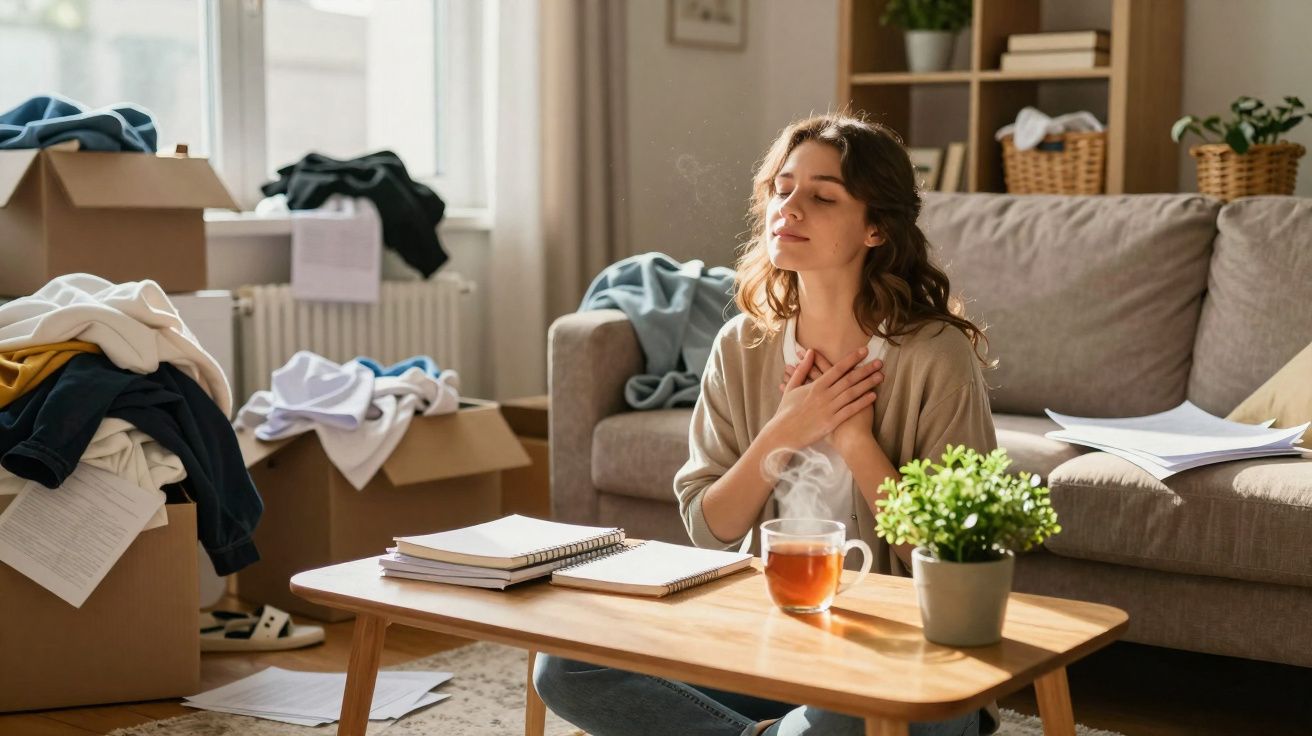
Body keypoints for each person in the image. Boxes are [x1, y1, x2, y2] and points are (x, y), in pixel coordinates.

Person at [534, 112, 998, 736]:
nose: (790, 208)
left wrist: (855, 440)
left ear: (876, 228)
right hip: (773, 645)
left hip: (902, 657)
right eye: (782, 190)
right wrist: (784, 431)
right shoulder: (743, 346)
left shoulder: (935, 356)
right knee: (565, 664)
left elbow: (952, 563)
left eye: (822, 196)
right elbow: (710, 527)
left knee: (842, 713)